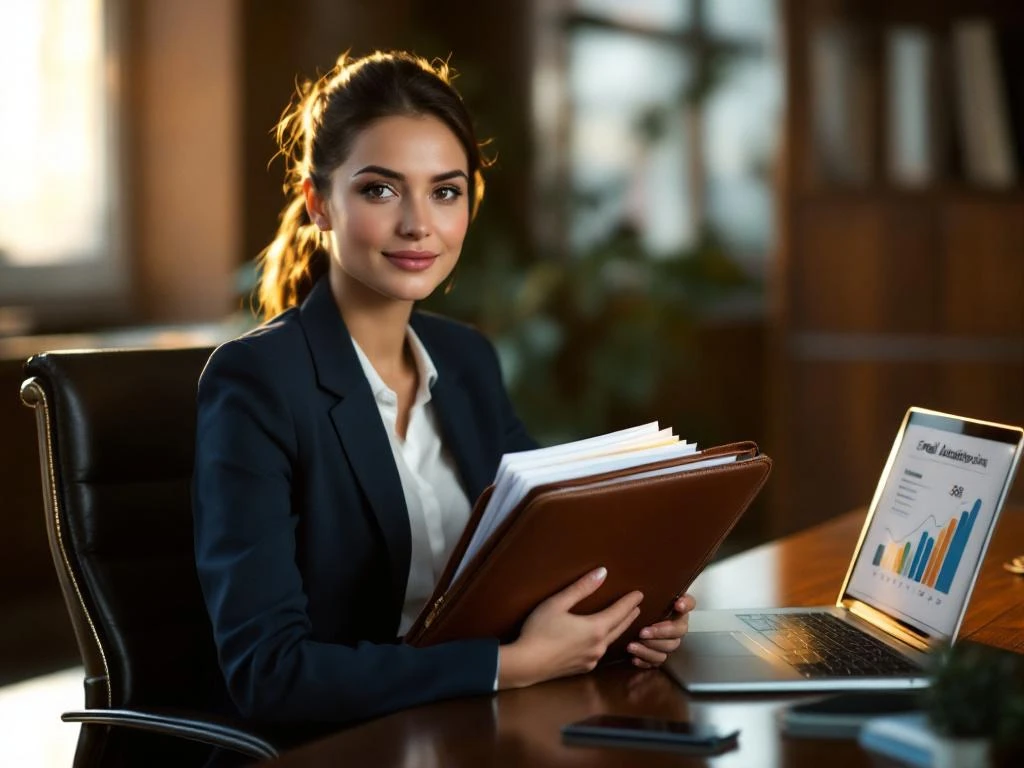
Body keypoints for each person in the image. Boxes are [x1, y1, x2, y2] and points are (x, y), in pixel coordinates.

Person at [192, 50, 696, 728]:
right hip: (343, 744)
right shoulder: (257, 385)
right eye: (380, 189)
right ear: (319, 204)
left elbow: (551, 541)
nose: (418, 224)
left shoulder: (466, 361)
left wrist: (627, 617)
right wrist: (509, 665)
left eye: (445, 191)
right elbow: (271, 676)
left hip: (476, 722)